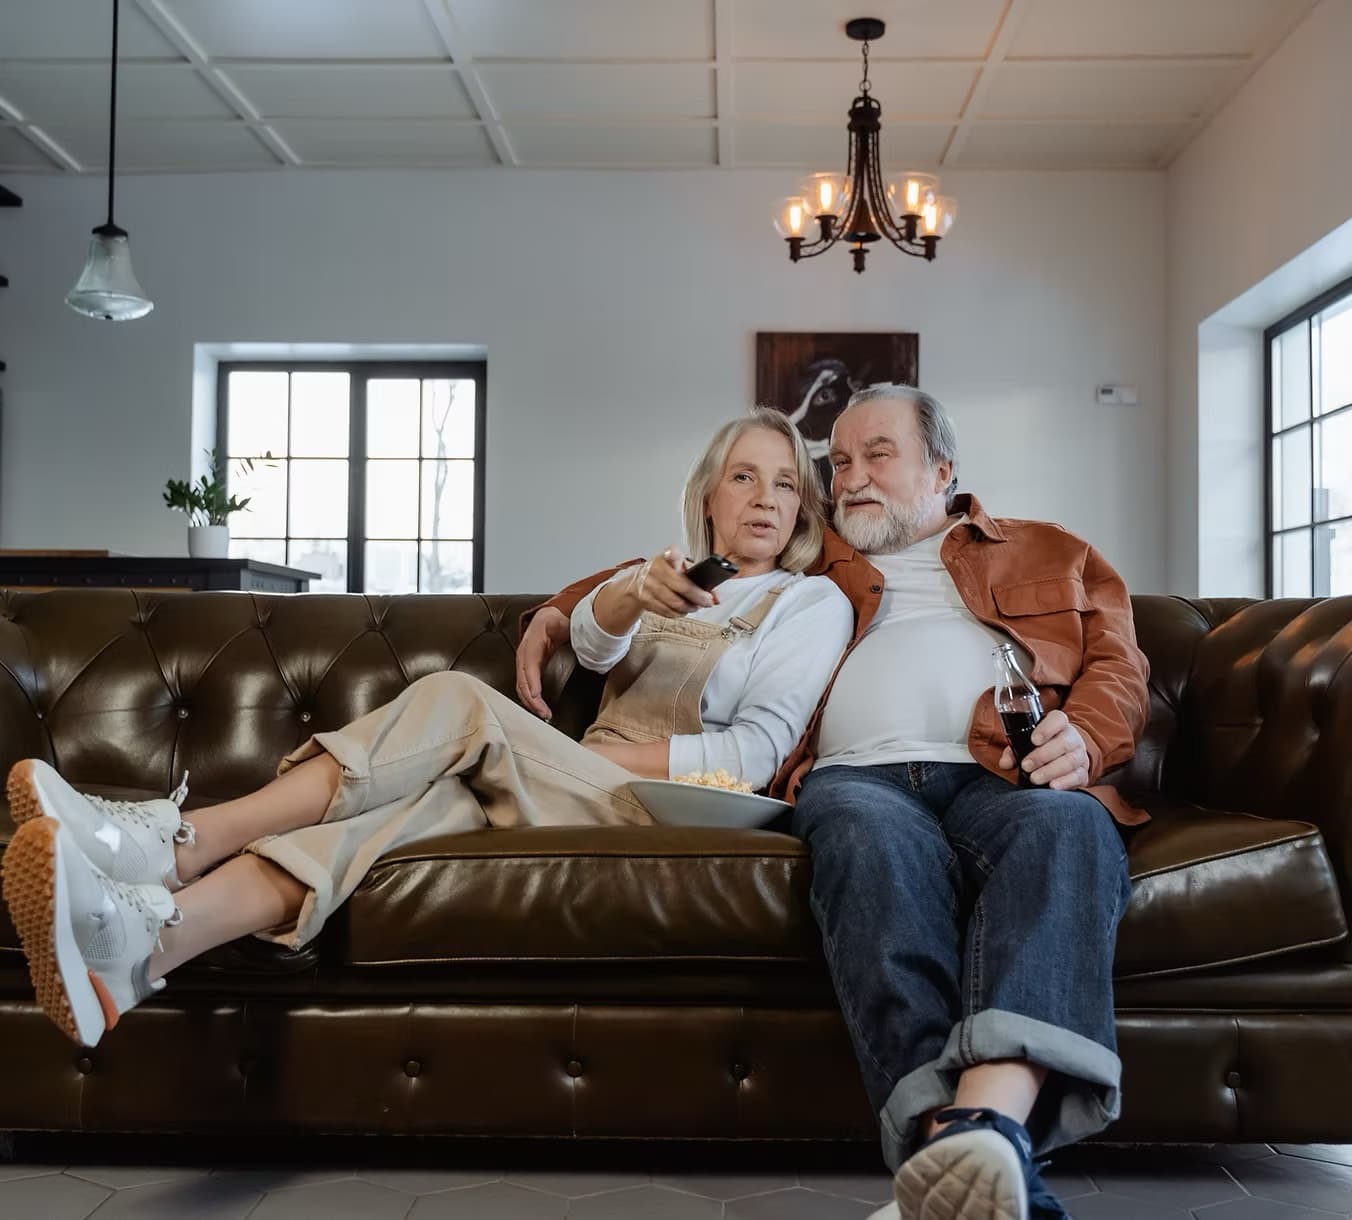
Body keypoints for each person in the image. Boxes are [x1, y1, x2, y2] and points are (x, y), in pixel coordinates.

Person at [1, 409, 853, 1051]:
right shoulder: (659, 576)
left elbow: (751, 755)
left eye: (785, 483)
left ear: (803, 507)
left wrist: (578, 753)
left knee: (460, 698)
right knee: (372, 827)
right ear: (708, 492)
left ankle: (175, 840)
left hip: (670, 810)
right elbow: (593, 641)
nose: (766, 498)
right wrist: (631, 592)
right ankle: (143, 952)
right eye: (745, 477)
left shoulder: (811, 603)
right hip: (564, 787)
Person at [517, 385, 1150, 1220]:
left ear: (943, 468)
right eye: (839, 461)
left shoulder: (1053, 550)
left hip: (1010, 778)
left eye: (877, 455)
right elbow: (672, 565)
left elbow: (1119, 665)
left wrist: (1088, 737)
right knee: (857, 833)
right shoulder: (813, 558)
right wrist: (555, 615)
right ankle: (969, 1165)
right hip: (857, 777)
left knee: (1073, 827)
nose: (850, 478)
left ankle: (974, 1135)